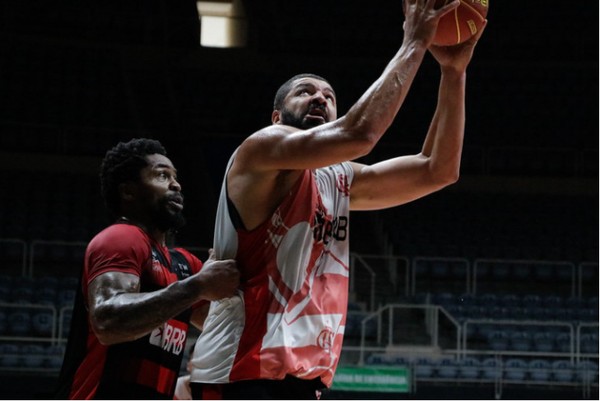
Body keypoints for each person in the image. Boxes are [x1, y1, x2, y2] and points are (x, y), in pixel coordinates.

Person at [189, 0, 487, 399]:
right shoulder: (260, 150)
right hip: (242, 370)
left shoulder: (338, 177)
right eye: (304, 92)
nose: (319, 98)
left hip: (301, 377)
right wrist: (414, 42)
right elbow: (360, 134)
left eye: (329, 96)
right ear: (276, 117)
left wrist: (454, 72)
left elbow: (438, 169)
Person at [54, 138, 240, 400]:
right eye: (162, 176)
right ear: (129, 191)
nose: (176, 184)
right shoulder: (121, 238)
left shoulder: (186, 265)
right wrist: (198, 286)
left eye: (175, 177)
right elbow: (108, 322)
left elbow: (223, 322)